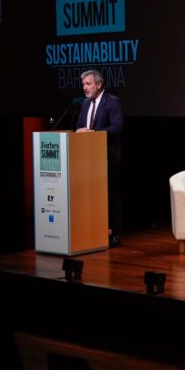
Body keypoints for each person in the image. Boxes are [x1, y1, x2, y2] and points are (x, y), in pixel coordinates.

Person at [74, 69, 124, 247]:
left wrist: (93, 133)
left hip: (108, 157)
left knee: (111, 196)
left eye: (88, 84)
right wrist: (80, 130)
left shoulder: (112, 101)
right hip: (88, 160)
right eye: (83, 85)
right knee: (92, 197)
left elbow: (117, 127)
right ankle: (94, 231)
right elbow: (81, 125)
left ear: (99, 84)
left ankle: (116, 233)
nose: (85, 88)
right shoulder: (86, 103)